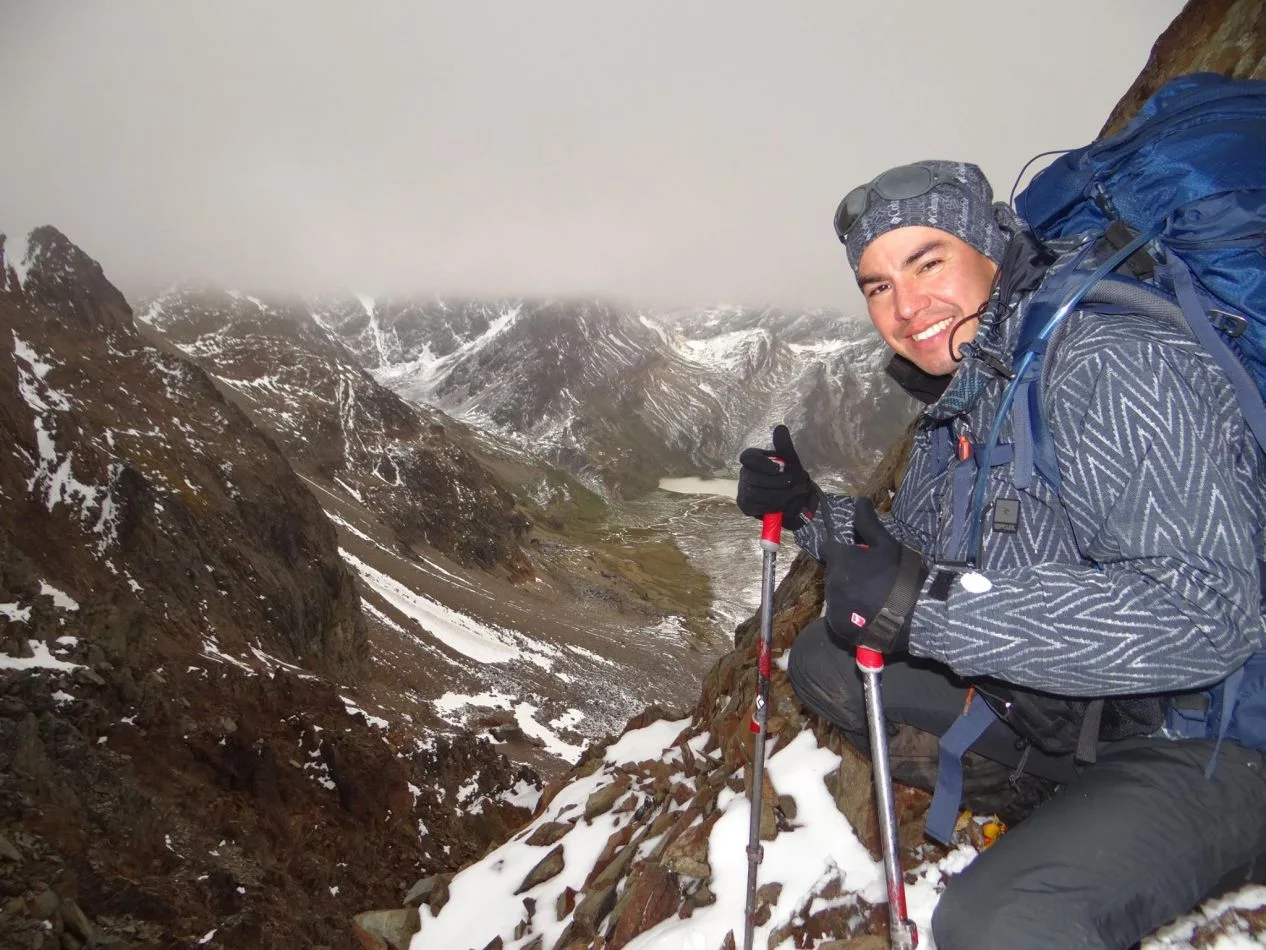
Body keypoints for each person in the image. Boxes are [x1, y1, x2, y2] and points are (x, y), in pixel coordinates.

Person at [736, 160, 1266, 949]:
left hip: (1216, 738)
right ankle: (1063, 805)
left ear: (992, 250)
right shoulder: (976, 388)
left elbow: (1208, 617)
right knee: (826, 656)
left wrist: (936, 610)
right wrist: (811, 513)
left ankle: (1124, 833)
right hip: (1089, 708)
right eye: (877, 285)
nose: (905, 306)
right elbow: (911, 557)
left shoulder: (1108, 363)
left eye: (927, 262)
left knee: (997, 925)